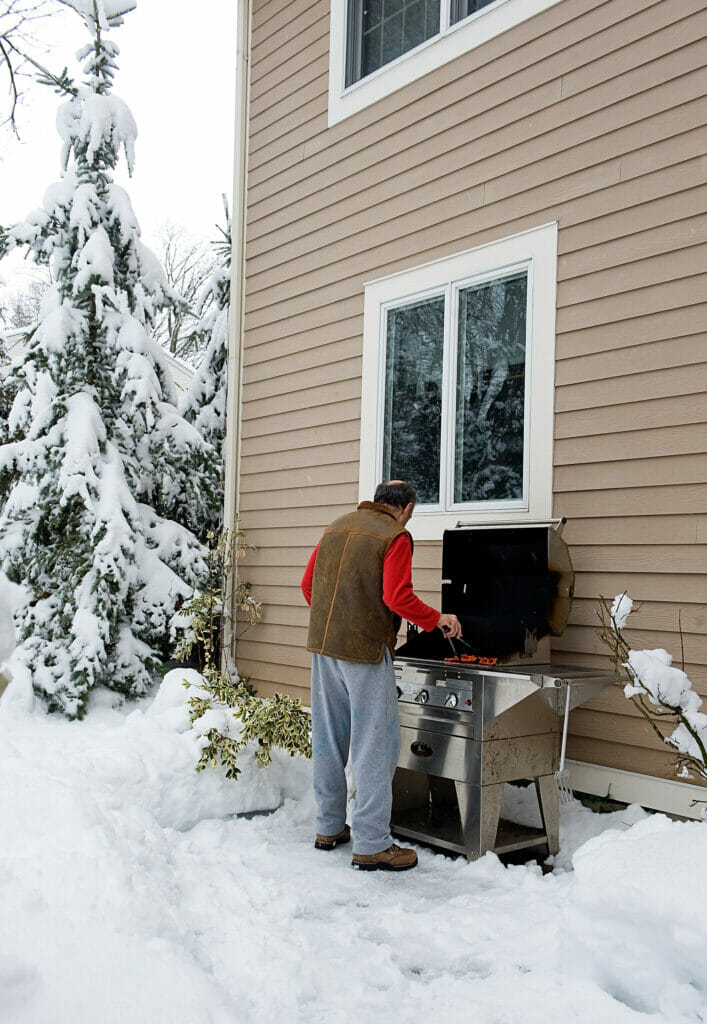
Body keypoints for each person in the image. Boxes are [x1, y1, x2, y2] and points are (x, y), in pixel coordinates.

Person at [300, 480, 462, 872]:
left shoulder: (335, 527)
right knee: (375, 745)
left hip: (324, 649)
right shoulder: (396, 536)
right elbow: (397, 598)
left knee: (329, 739)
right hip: (366, 652)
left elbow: (309, 588)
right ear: (405, 508)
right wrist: (437, 619)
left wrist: (339, 619)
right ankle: (372, 844)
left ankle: (328, 827)